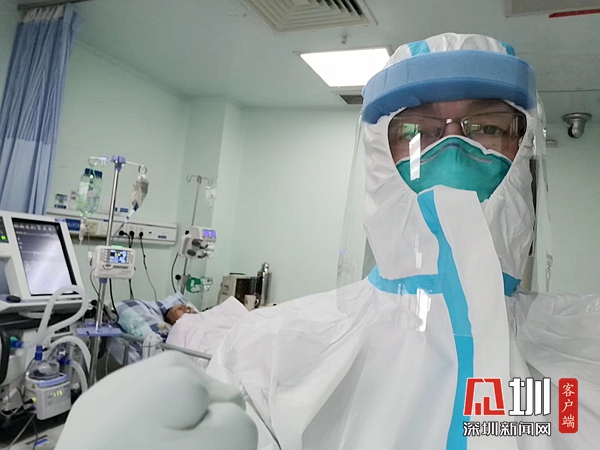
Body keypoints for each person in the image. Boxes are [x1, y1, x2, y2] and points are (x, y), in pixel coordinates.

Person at [206, 33, 600, 450]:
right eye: (417, 130)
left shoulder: (586, 345)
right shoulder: (270, 354)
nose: (453, 149)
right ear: (378, 154)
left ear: (523, 152)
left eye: (488, 128)